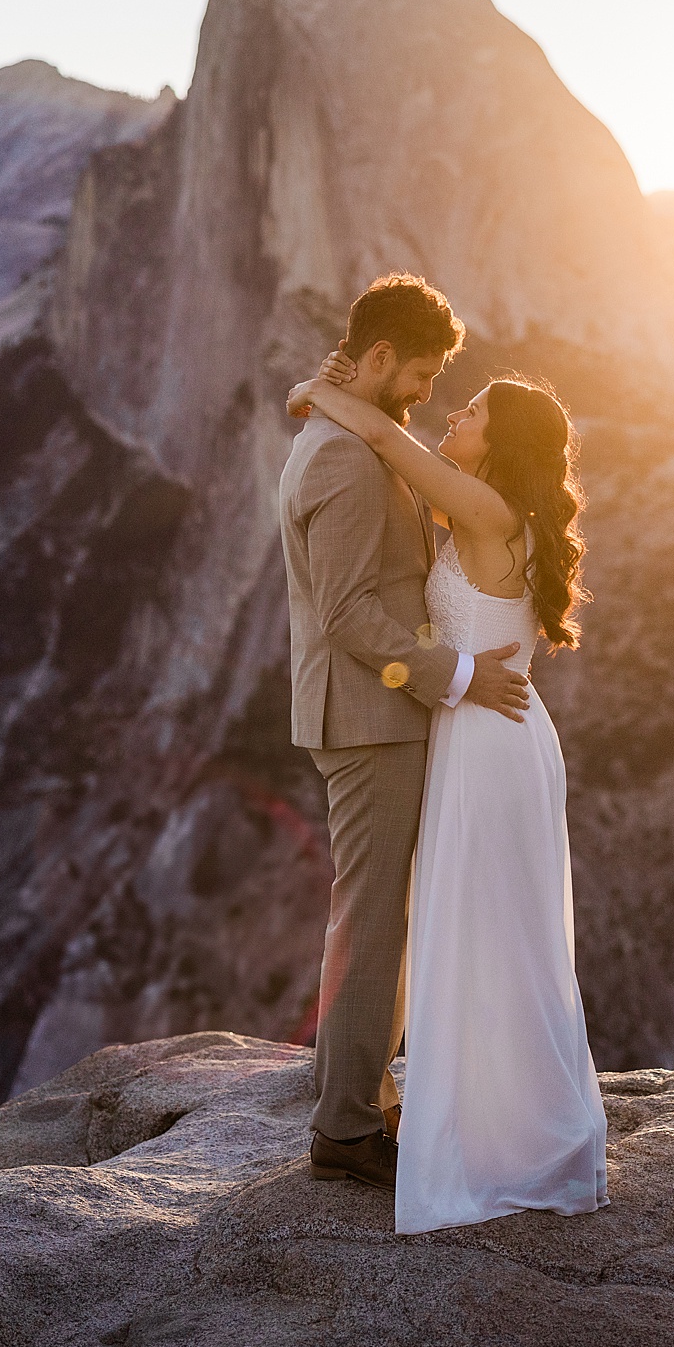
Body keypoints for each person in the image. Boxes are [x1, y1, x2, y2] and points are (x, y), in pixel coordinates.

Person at [289, 330, 609, 1234]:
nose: (450, 414)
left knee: (486, 928)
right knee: (482, 925)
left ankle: (502, 1131)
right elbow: (404, 450)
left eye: (469, 412)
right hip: (487, 732)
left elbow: (391, 444)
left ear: (497, 443)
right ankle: (484, 1109)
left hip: (488, 738)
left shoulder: (487, 510)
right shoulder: (489, 505)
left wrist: (315, 393)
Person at [277, 274, 531, 1193]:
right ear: (379, 359)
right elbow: (348, 614)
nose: (427, 396)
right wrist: (459, 678)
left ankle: (355, 1095)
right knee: (375, 916)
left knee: (377, 910)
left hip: (374, 714)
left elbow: (384, 435)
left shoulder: (341, 430)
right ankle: (344, 1125)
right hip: (371, 716)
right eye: (421, 375)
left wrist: (326, 387)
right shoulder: (341, 460)